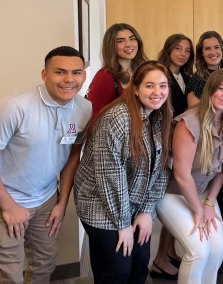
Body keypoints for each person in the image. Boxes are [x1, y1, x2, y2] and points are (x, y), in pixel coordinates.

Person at [0, 46, 92, 283]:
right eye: (60, 72)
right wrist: (8, 206)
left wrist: (61, 202)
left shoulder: (84, 108)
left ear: (84, 76)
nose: (69, 79)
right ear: (45, 75)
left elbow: (73, 155)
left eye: (76, 72)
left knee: (44, 264)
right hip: (2, 200)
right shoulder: (15, 107)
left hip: (46, 200)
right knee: (9, 275)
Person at [74, 60, 173, 284]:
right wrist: (123, 224)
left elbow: (163, 167)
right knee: (117, 270)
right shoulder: (116, 119)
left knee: (139, 266)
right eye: (149, 86)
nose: (157, 92)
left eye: (163, 85)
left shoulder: (162, 115)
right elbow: (110, 177)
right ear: (135, 88)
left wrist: (147, 211)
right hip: (100, 202)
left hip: (134, 201)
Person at [156, 69, 223, 284]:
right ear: (210, 89)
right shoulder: (189, 122)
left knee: (218, 247)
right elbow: (182, 176)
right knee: (198, 251)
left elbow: (222, 169)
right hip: (173, 192)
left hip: (202, 192)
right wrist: (198, 210)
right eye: (221, 88)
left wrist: (210, 202)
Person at [150, 34, 194, 279]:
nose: (183, 54)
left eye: (187, 50)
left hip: (178, 141)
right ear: (168, 49)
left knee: (177, 197)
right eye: (178, 48)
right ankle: (158, 259)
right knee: (171, 198)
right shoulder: (160, 74)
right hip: (165, 142)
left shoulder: (186, 77)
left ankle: (170, 251)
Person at [86, 23, 148, 120]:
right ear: (111, 46)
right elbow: (94, 117)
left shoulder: (144, 72)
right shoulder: (104, 77)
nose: (128, 44)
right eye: (120, 41)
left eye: (132, 39)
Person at [186, 31, 223, 107]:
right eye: (207, 48)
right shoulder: (196, 80)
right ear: (201, 53)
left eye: (216, 47)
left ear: (222, 49)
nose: (213, 52)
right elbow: (194, 113)